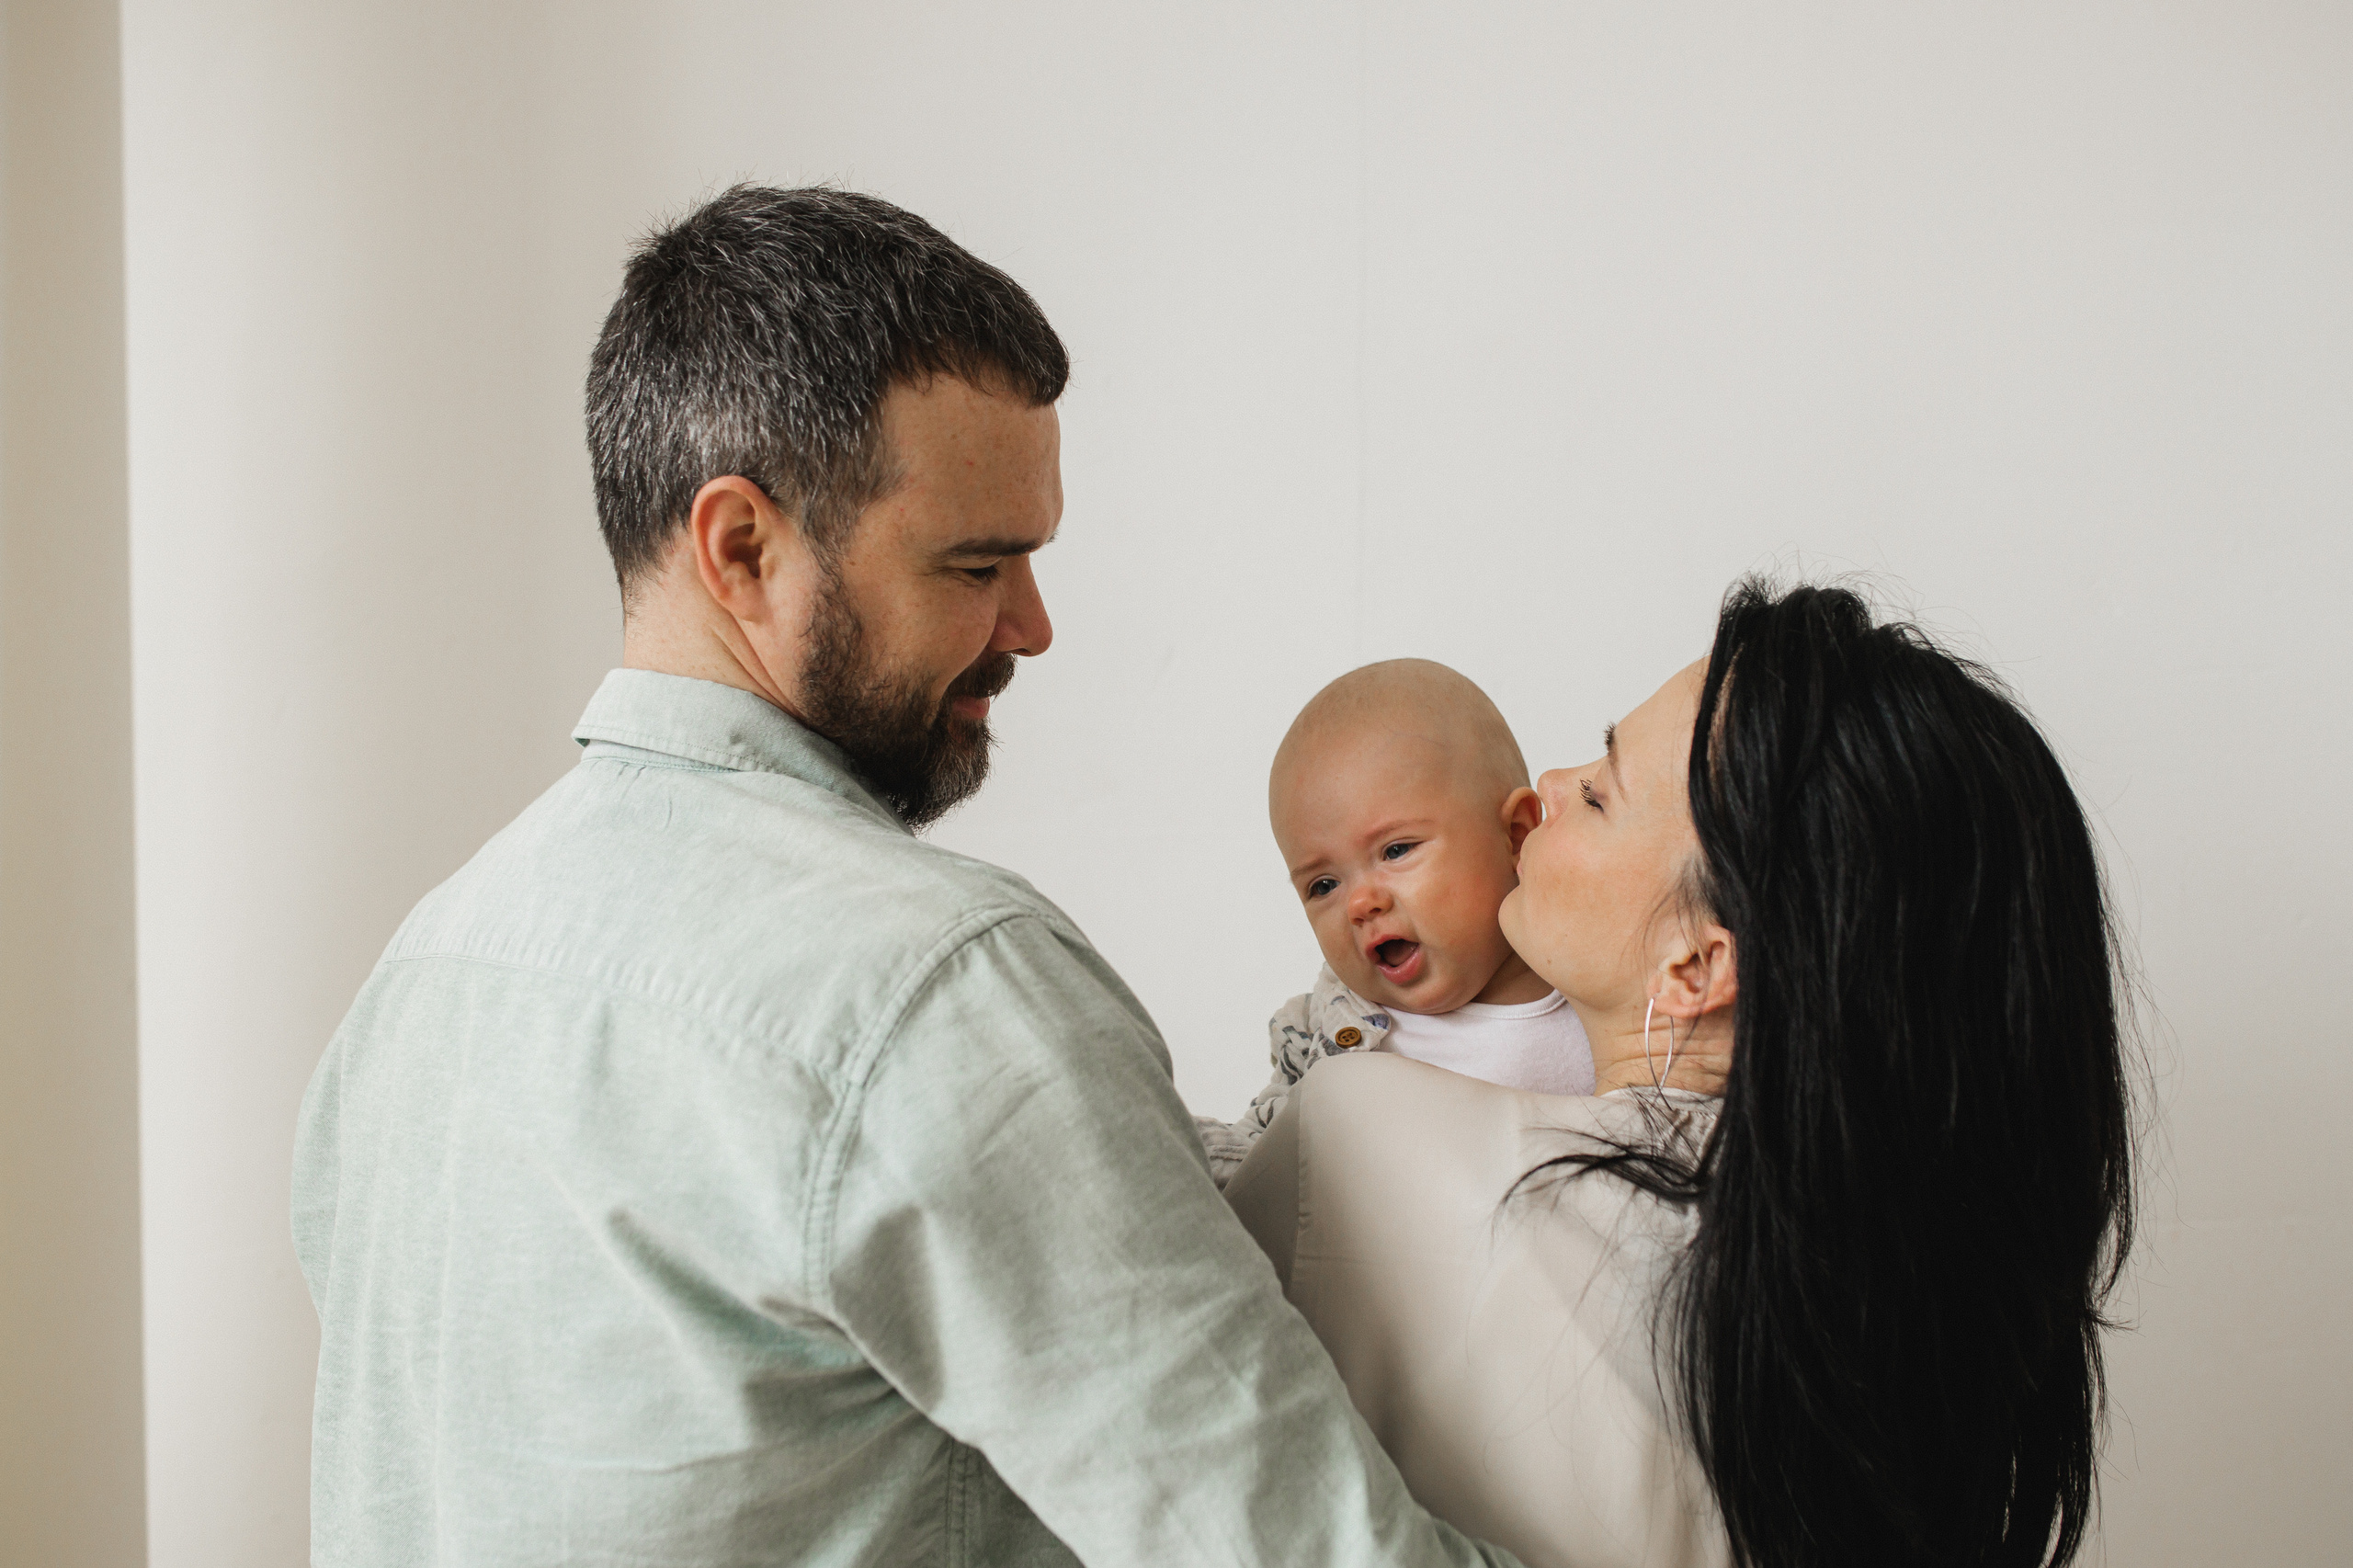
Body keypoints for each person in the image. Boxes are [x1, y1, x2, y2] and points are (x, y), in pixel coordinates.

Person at [291, 186, 1518, 1567]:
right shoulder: (936, 989)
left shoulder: (423, 973)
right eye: (978, 563)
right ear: (742, 547)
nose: (1032, 627)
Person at [1227, 580, 2136, 1568]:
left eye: (1602, 791)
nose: (1551, 784)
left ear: (1697, 962)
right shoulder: (1874, 1333)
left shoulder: (1361, 1137)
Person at [1197, 659, 1593, 1185]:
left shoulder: (1612, 980)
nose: (1360, 903)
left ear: (1516, 836)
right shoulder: (1336, 1044)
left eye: (1396, 850)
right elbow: (1256, 1173)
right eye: (1323, 886)